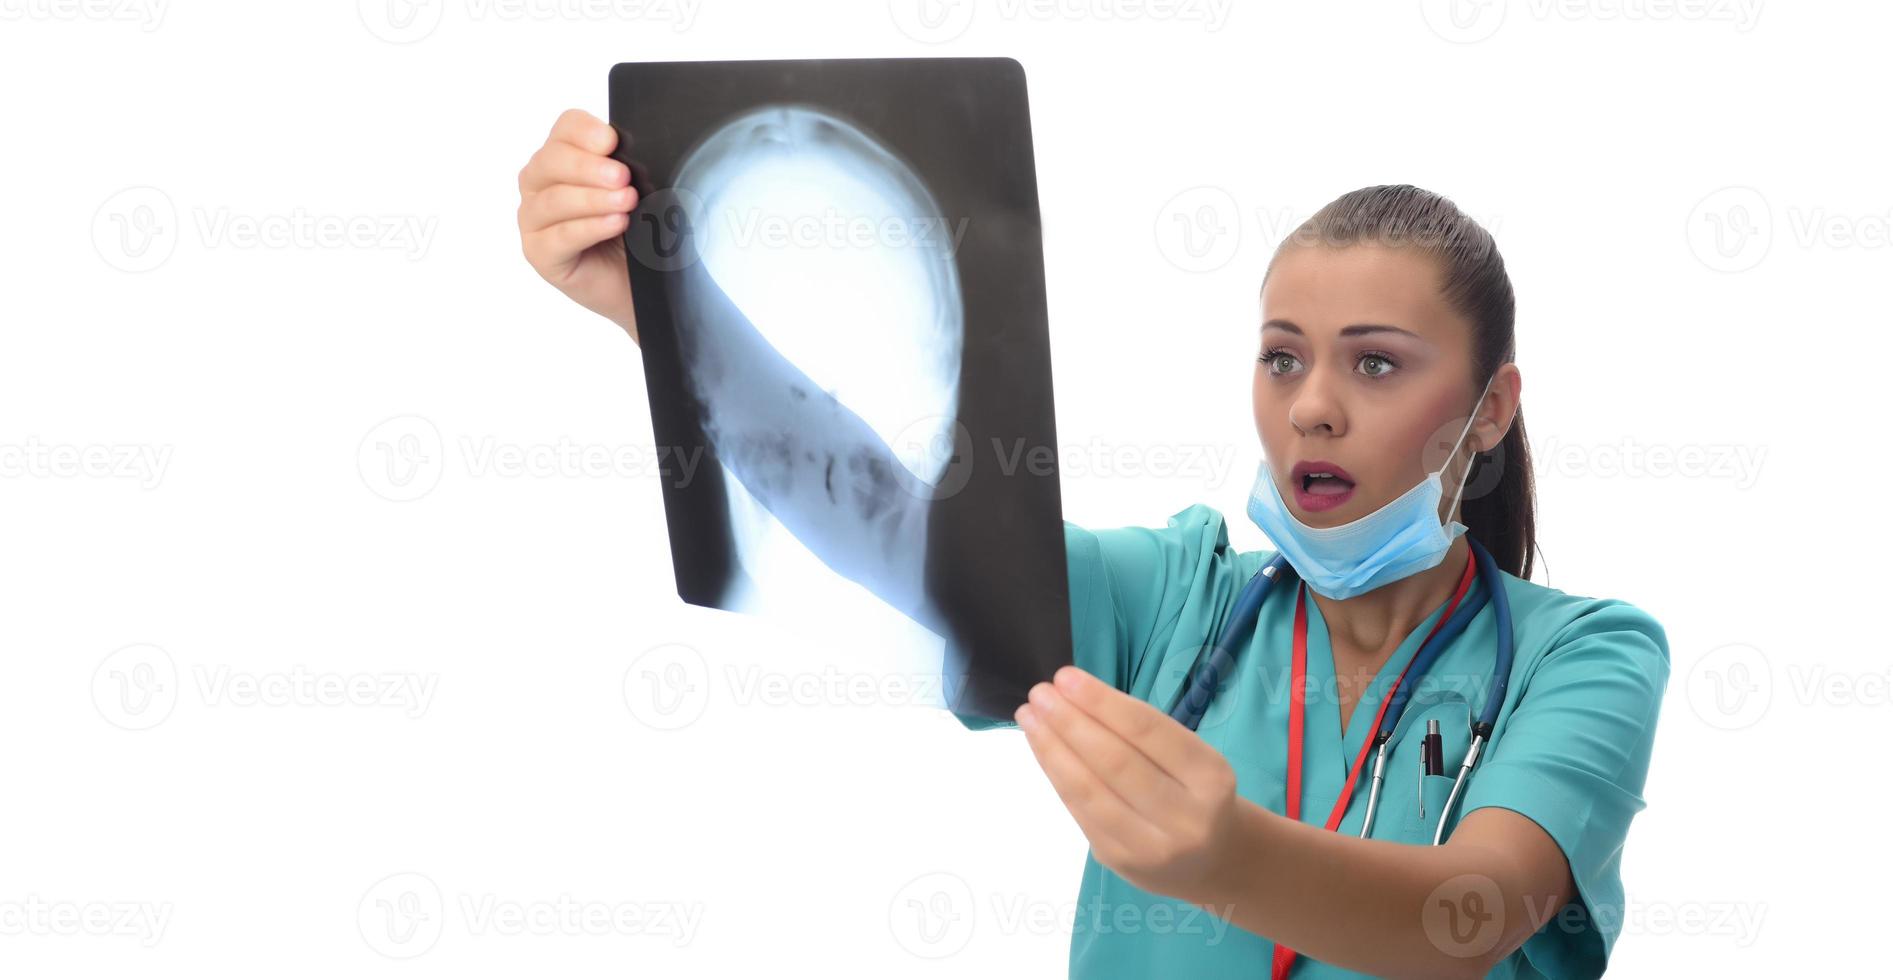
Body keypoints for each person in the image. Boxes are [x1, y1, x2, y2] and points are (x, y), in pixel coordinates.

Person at [517, 108, 1671, 979]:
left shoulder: (1583, 657)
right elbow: (873, 506)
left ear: (1494, 404)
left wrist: (1227, 857)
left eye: (1375, 362)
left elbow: (1472, 912)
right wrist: (655, 302)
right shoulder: (1176, 600)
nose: (1312, 407)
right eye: (1282, 357)